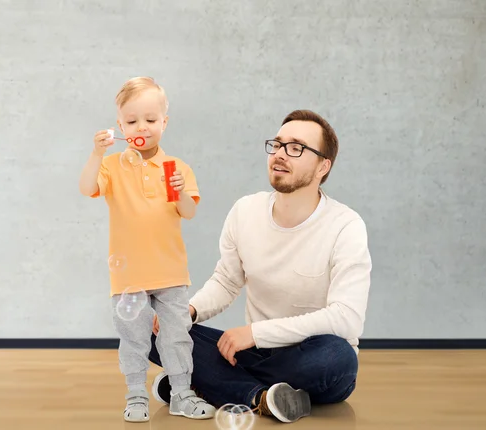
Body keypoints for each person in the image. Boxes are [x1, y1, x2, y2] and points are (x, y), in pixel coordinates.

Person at [150, 109, 372, 423]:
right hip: (253, 353)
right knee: (153, 328)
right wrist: (189, 311)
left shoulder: (345, 226)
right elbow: (227, 281)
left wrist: (255, 333)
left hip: (310, 356)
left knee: (338, 358)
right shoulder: (246, 210)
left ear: (324, 166)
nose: (280, 155)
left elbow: (347, 319)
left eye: (296, 148)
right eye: (277, 145)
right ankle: (260, 398)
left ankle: (202, 383)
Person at [78, 77, 216, 422]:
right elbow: (86, 188)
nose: (142, 127)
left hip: (171, 272)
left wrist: (182, 191)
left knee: (177, 338)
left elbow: (188, 211)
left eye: (151, 120)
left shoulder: (175, 169)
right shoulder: (111, 166)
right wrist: (97, 153)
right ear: (121, 126)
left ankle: (182, 393)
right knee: (134, 339)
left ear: (164, 123)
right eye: (132, 120)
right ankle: (136, 394)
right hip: (129, 275)